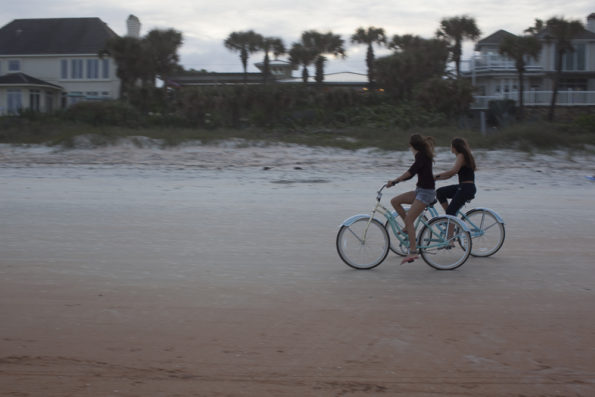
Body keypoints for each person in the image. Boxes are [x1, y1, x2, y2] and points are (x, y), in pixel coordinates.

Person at [387, 134, 436, 264]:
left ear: (412, 146)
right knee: (395, 201)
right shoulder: (422, 155)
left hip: (426, 193)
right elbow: (412, 174)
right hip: (420, 191)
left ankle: (413, 252)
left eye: (410, 146)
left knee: (409, 219)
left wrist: (395, 181)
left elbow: (411, 172)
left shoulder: (421, 156)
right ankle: (408, 228)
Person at [434, 137, 477, 219]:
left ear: (454, 147)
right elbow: (450, 175)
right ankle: (450, 219)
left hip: (465, 188)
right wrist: (436, 178)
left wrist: (436, 175)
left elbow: (453, 171)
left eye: (451, 146)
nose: (450, 148)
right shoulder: (464, 155)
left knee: (451, 212)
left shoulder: (461, 155)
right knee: (440, 192)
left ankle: (451, 224)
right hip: (465, 187)